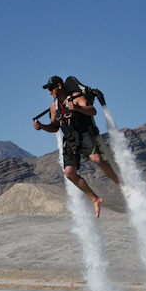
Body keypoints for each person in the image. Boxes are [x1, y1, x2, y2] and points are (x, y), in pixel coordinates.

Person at [33, 76, 123, 218]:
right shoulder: (54, 107)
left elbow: (92, 110)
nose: (50, 92)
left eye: (51, 89)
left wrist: (76, 108)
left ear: (59, 86)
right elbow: (54, 127)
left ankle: (121, 185)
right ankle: (95, 199)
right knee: (69, 173)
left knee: (97, 159)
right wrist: (42, 127)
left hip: (84, 134)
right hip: (69, 140)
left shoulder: (76, 97)